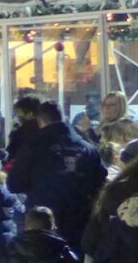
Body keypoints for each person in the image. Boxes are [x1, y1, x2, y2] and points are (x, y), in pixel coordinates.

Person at [10, 100, 107, 250]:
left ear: (40, 120)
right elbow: (100, 180)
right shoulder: (86, 147)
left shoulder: (33, 146)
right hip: (77, 218)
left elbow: (15, 183)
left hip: (41, 219)